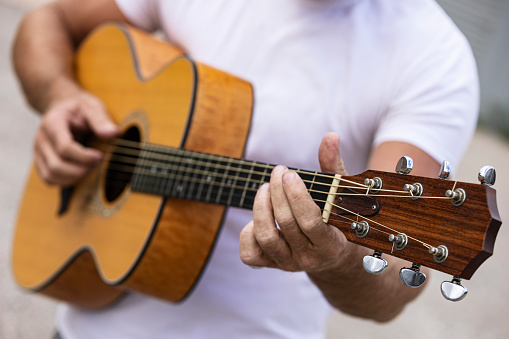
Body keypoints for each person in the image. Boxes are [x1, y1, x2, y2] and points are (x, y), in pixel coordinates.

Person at [12, 0, 478, 338]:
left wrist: (336, 258)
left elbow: (394, 283)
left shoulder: (434, 60)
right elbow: (47, 21)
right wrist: (59, 95)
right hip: (86, 322)